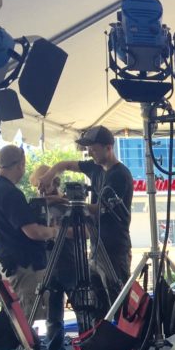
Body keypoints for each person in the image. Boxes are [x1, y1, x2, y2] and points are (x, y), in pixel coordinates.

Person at [0, 145, 60, 350]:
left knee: (20, 320)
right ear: (19, 165)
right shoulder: (10, 193)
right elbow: (33, 232)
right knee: (24, 324)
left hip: (9, 264)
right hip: (24, 266)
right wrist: (55, 231)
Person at [37, 125, 134, 304]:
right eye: (88, 149)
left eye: (94, 149)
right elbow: (65, 164)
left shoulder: (119, 175)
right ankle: (100, 330)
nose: (90, 153)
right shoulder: (95, 168)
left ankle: (122, 332)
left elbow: (100, 209)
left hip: (114, 247)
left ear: (108, 148)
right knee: (98, 303)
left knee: (119, 301)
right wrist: (50, 174)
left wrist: (69, 202)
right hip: (96, 247)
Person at [30, 164, 77, 350]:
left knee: (81, 312)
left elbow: (82, 232)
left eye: (43, 186)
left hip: (70, 264)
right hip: (50, 267)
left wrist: (57, 232)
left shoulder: (68, 206)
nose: (40, 191)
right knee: (53, 318)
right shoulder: (41, 208)